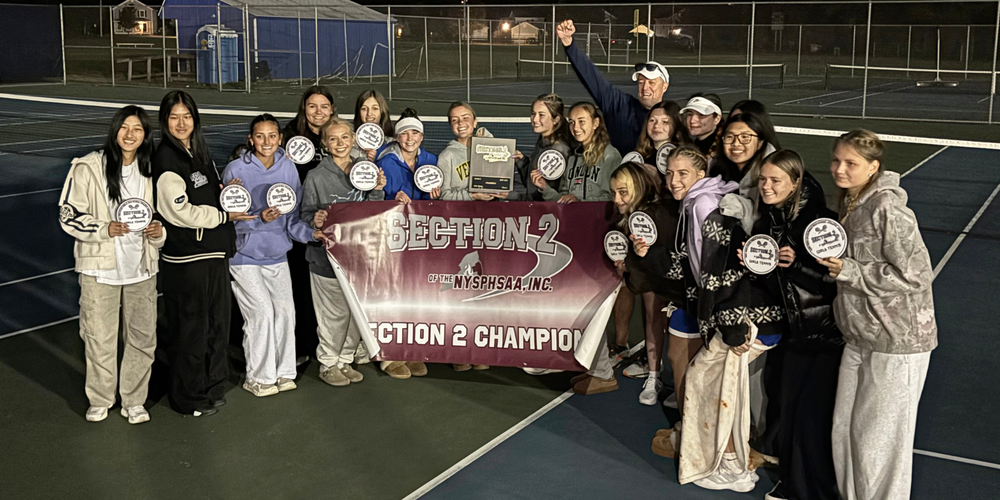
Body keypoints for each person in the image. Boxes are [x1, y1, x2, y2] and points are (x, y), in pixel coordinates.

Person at [818, 130, 937, 500]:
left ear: (873, 167)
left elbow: (916, 275)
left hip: (898, 342)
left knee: (878, 444)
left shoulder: (889, 208)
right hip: (860, 336)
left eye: (851, 163)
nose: (839, 169)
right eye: (836, 160)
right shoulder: (850, 201)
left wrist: (851, 272)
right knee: (844, 432)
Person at [58, 105, 165, 424]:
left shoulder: (151, 170)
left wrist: (158, 233)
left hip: (142, 269)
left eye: (138, 129)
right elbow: (68, 213)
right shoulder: (88, 166)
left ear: (146, 135)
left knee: (142, 339)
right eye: (125, 128)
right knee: (98, 337)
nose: (130, 135)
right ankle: (101, 398)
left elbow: (161, 219)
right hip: (98, 270)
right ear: (115, 129)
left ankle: (134, 400)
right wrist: (103, 228)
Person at [746, 150, 843, 500]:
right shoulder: (767, 222)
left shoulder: (821, 222)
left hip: (825, 335)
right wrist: (758, 266)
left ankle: (810, 489)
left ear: (796, 183)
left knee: (812, 419)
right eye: (763, 180)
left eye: (775, 181)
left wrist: (796, 265)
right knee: (785, 408)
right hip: (791, 333)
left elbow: (835, 283)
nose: (767, 187)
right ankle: (792, 479)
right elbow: (776, 288)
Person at [154, 90, 251, 417]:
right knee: (189, 332)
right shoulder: (167, 158)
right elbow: (179, 211)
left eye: (187, 116)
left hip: (213, 255)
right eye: (174, 117)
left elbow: (202, 194)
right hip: (187, 261)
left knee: (215, 328)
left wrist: (223, 193)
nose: (181, 123)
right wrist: (224, 216)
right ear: (165, 122)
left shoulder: (198, 152)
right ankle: (187, 397)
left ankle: (212, 386)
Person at [222, 114, 323, 398]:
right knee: (262, 314)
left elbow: (291, 217)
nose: (266, 141)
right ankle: (258, 377)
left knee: (286, 314)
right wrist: (258, 220)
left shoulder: (288, 167)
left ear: (280, 138)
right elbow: (228, 217)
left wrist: (311, 234)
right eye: (260, 136)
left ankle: (284, 372)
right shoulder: (234, 169)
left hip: (278, 255)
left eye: (272, 135)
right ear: (250, 139)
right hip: (244, 256)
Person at [649, 146, 729, 459]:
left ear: (700, 174)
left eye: (682, 173)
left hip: (704, 303)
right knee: (678, 360)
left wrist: (708, 309)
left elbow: (704, 262)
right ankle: (688, 427)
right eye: (669, 173)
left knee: (689, 369)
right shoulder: (693, 201)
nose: (673, 180)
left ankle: (694, 438)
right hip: (693, 298)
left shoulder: (702, 204)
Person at [300, 117, 387, 386]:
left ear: (353, 140)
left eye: (344, 137)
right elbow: (305, 215)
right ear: (325, 144)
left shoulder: (365, 169)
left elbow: (372, 209)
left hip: (359, 259)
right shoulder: (315, 176)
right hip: (325, 261)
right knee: (333, 315)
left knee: (354, 312)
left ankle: (345, 359)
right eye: (333, 139)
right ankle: (328, 362)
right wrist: (314, 219)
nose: (340, 143)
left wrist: (378, 190)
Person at [610, 162, 686, 406]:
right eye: (614, 193)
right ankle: (654, 376)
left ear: (638, 188)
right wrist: (629, 266)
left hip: (682, 287)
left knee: (678, 338)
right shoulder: (630, 218)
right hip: (655, 282)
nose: (617, 199)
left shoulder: (662, 213)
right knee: (652, 318)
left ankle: (683, 387)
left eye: (623, 192)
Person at [555, 19, 670, 154]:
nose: (645, 88)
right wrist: (570, 45)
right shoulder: (620, 106)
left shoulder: (673, 117)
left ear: (665, 86)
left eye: (651, 83)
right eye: (641, 82)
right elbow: (592, 78)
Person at [282, 85, 336, 370]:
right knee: (299, 287)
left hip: (326, 225)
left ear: (332, 110)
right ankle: (300, 344)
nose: (318, 112)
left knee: (324, 288)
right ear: (304, 109)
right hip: (296, 225)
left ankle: (324, 344)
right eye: (312, 106)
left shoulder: (337, 138)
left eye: (324, 106)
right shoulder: (289, 138)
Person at [532, 102, 620, 205]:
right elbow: (562, 200)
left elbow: (611, 198)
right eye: (571, 122)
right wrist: (545, 188)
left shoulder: (610, 155)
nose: (576, 128)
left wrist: (580, 203)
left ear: (595, 123)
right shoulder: (572, 159)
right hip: (573, 219)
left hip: (598, 220)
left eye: (581, 121)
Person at [438, 101, 506, 203]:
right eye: (454, 120)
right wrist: (473, 196)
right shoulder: (447, 156)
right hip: (462, 215)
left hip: (491, 211)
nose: (460, 123)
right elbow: (444, 195)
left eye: (465, 118)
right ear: (451, 126)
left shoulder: (487, 147)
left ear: (475, 122)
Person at [515, 94, 573, 202]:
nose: (535, 119)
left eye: (541, 115)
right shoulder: (541, 142)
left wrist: (512, 196)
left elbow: (546, 194)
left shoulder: (558, 150)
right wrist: (521, 161)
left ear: (556, 119)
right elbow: (532, 183)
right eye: (533, 114)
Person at [376, 109, 440, 204]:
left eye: (415, 133)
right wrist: (394, 198)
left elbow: (429, 202)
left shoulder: (431, 161)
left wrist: (433, 197)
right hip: (394, 216)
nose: (410, 138)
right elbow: (376, 200)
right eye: (404, 133)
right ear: (397, 137)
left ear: (421, 136)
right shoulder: (384, 164)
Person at [714, 112, 780, 197]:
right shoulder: (715, 169)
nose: (736, 143)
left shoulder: (774, 176)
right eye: (729, 137)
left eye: (745, 137)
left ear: (760, 143)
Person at [635, 100, 690, 166]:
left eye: (665, 122)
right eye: (652, 120)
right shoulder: (638, 157)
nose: (656, 125)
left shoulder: (687, 156)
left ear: (676, 124)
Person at [351, 89, 394, 161]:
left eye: (375, 108)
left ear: (382, 111)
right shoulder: (349, 142)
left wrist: (379, 159)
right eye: (364, 109)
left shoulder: (392, 144)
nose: (369, 113)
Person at [681, 94, 724, 158]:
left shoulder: (724, 148)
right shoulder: (691, 145)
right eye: (689, 114)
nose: (692, 120)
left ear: (717, 119)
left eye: (701, 115)